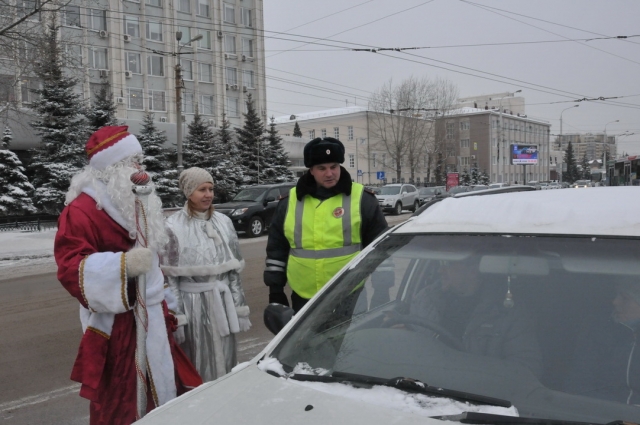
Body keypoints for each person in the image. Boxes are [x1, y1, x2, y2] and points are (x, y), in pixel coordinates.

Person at [54, 126, 201, 425]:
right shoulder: (81, 209)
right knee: (123, 400)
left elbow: (154, 263)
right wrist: (123, 266)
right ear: (113, 166)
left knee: (164, 386)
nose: (139, 168)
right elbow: (70, 266)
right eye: (133, 161)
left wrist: (168, 304)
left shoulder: (133, 200)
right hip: (117, 323)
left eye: (139, 160)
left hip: (154, 315)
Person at [264, 137, 388, 312]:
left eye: (334, 167)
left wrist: (382, 290)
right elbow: (277, 248)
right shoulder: (289, 202)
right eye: (322, 168)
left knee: (349, 340)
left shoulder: (362, 199)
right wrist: (275, 291)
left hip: (350, 293)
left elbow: (381, 249)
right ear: (311, 171)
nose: (329, 173)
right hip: (303, 295)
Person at [161, 167, 251, 382]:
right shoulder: (172, 226)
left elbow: (234, 273)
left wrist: (239, 308)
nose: (208, 194)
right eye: (202, 189)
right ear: (188, 192)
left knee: (227, 357)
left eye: (211, 189)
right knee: (199, 359)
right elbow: (170, 278)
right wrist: (178, 318)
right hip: (193, 305)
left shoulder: (224, 222)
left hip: (223, 301)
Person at [408, 258, 543, 376]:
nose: (439, 270)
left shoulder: (508, 311)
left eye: (447, 264)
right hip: (421, 387)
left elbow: (526, 370)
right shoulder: (425, 298)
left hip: (476, 397)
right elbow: (413, 348)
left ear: (473, 271)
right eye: (440, 263)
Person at [564, 281, 640, 404]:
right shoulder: (600, 332)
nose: (615, 302)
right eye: (617, 295)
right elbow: (578, 386)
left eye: (625, 298)